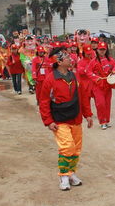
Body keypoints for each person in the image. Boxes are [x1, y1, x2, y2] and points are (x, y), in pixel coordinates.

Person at [38, 47, 93, 191]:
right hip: (59, 120)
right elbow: (44, 101)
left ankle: (71, 173)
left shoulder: (74, 77)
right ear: (59, 61)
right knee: (67, 147)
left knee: (76, 149)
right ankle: (63, 175)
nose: (71, 59)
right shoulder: (50, 79)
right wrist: (48, 121)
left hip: (75, 118)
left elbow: (83, 97)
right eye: (67, 57)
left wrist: (88, 114)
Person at [87, 41, 115, 130]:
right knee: (100, 104)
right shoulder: (93, 61)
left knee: (107, 103)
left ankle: (107, 120)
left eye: (103, 49)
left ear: (106, 50)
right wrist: (96, 78)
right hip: (97, 85)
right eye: (100, 49)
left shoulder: (110, 59)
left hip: (108, 84)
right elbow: (88, 72)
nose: (102, 51)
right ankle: (102, 121)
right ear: (97, 50)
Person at [76, 44, 95, 119]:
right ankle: (88, 113)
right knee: (86, 100)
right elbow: (80, 71)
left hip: (93, 82)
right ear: (84, 52)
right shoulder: (81, 61)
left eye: (90, 53)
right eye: (87, 53)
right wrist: (87, 70)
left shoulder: (93, 60)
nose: (89, 54)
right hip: (85, 83)